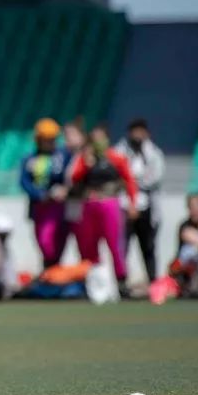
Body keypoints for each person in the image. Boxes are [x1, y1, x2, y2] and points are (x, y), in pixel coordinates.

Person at [68, 124, 137, 296]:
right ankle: (92, 282)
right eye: (95, 138)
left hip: (109, 203)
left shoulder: (116, 158)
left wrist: (132, 203)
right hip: (88, 206)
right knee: (88, 245)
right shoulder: (85, 158)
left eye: (101, 138)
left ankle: (121, 282)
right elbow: (74, 177)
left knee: (115, 244)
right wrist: (86, 162)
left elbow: (130, 181)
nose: (98, 141)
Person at [114, 119, 165, 282]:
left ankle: (153, 282)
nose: (137, 135)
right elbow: (116, 176)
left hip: (146, 207)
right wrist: (130, 181)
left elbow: (154, 178)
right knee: (123, 247)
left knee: (148, 247)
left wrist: (131, 180)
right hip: (124, 206)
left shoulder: (154, 154)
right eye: (134, 131)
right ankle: (121, 284)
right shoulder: (119, 152)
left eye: (140, 131)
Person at [19, 118, 70, 268]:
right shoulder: (30, 159)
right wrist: (40, 195)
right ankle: (49, 268)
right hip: (39, 206)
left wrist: (64, 190)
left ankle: (53, 269)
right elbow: (24, 181)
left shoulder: (63, 156)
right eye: (46, 139)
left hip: (58, 207)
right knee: (43, 241)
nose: (50, 142)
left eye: (52, 139)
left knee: (55, 241)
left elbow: (70, 176)